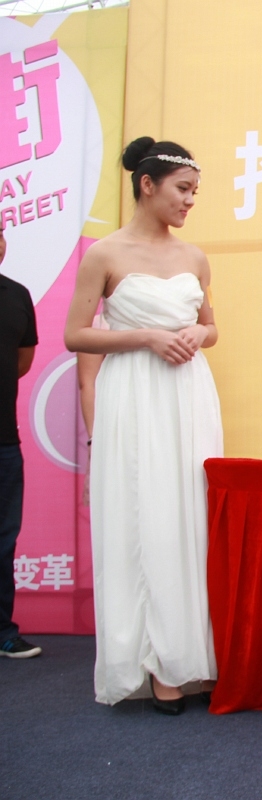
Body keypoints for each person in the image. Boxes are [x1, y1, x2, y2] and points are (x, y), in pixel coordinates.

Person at [64, 137, 223, 715]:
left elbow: (211, 328)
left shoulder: (195, 257)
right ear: (147, 185)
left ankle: (191, 657)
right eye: (182, 189)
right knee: (144, 514)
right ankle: (155, 665)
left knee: (188, 515)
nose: (189, 201)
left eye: (195, 192)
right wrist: (147, 337)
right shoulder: (104, 254)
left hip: (188, 394)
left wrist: (197, 333)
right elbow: (75, 335)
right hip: (133, 393)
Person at [0, 226, 41, 659]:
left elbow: (21, 362)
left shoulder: (16, 295)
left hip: (4, 442)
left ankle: (3, 632)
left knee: (3, 540)